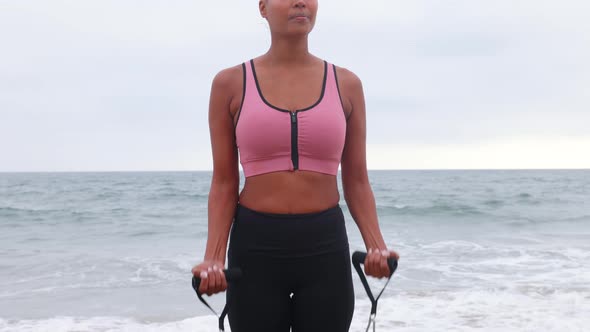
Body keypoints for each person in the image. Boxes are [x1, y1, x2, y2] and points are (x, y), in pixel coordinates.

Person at [191, 0, 399, 331]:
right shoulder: (229, 84)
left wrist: (376, 245)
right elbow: (224, 182)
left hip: (324, 247)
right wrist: (214, 257)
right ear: (262, 7)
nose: (301, 2)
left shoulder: (346, 85)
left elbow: (357, 181)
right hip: (255, 249)